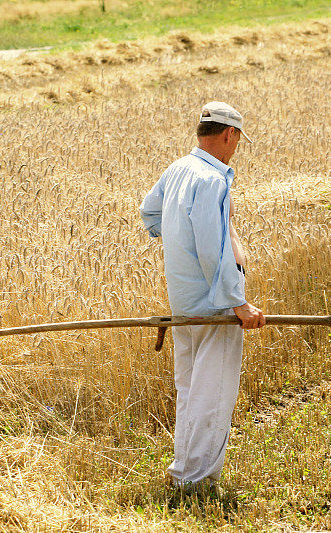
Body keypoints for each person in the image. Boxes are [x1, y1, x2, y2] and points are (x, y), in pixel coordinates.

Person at [139, 101, 265, 493]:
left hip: (183, 301)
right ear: (229, 134)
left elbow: (150, 213)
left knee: (191, 387)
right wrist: (237, 302)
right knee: (213, 392)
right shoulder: (211, 180)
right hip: (214, 306)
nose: (237, 146)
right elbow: (214, 249)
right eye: (238, 139)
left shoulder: (178, 169)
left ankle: (184, 471)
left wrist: (178, 239)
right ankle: (195, 482)